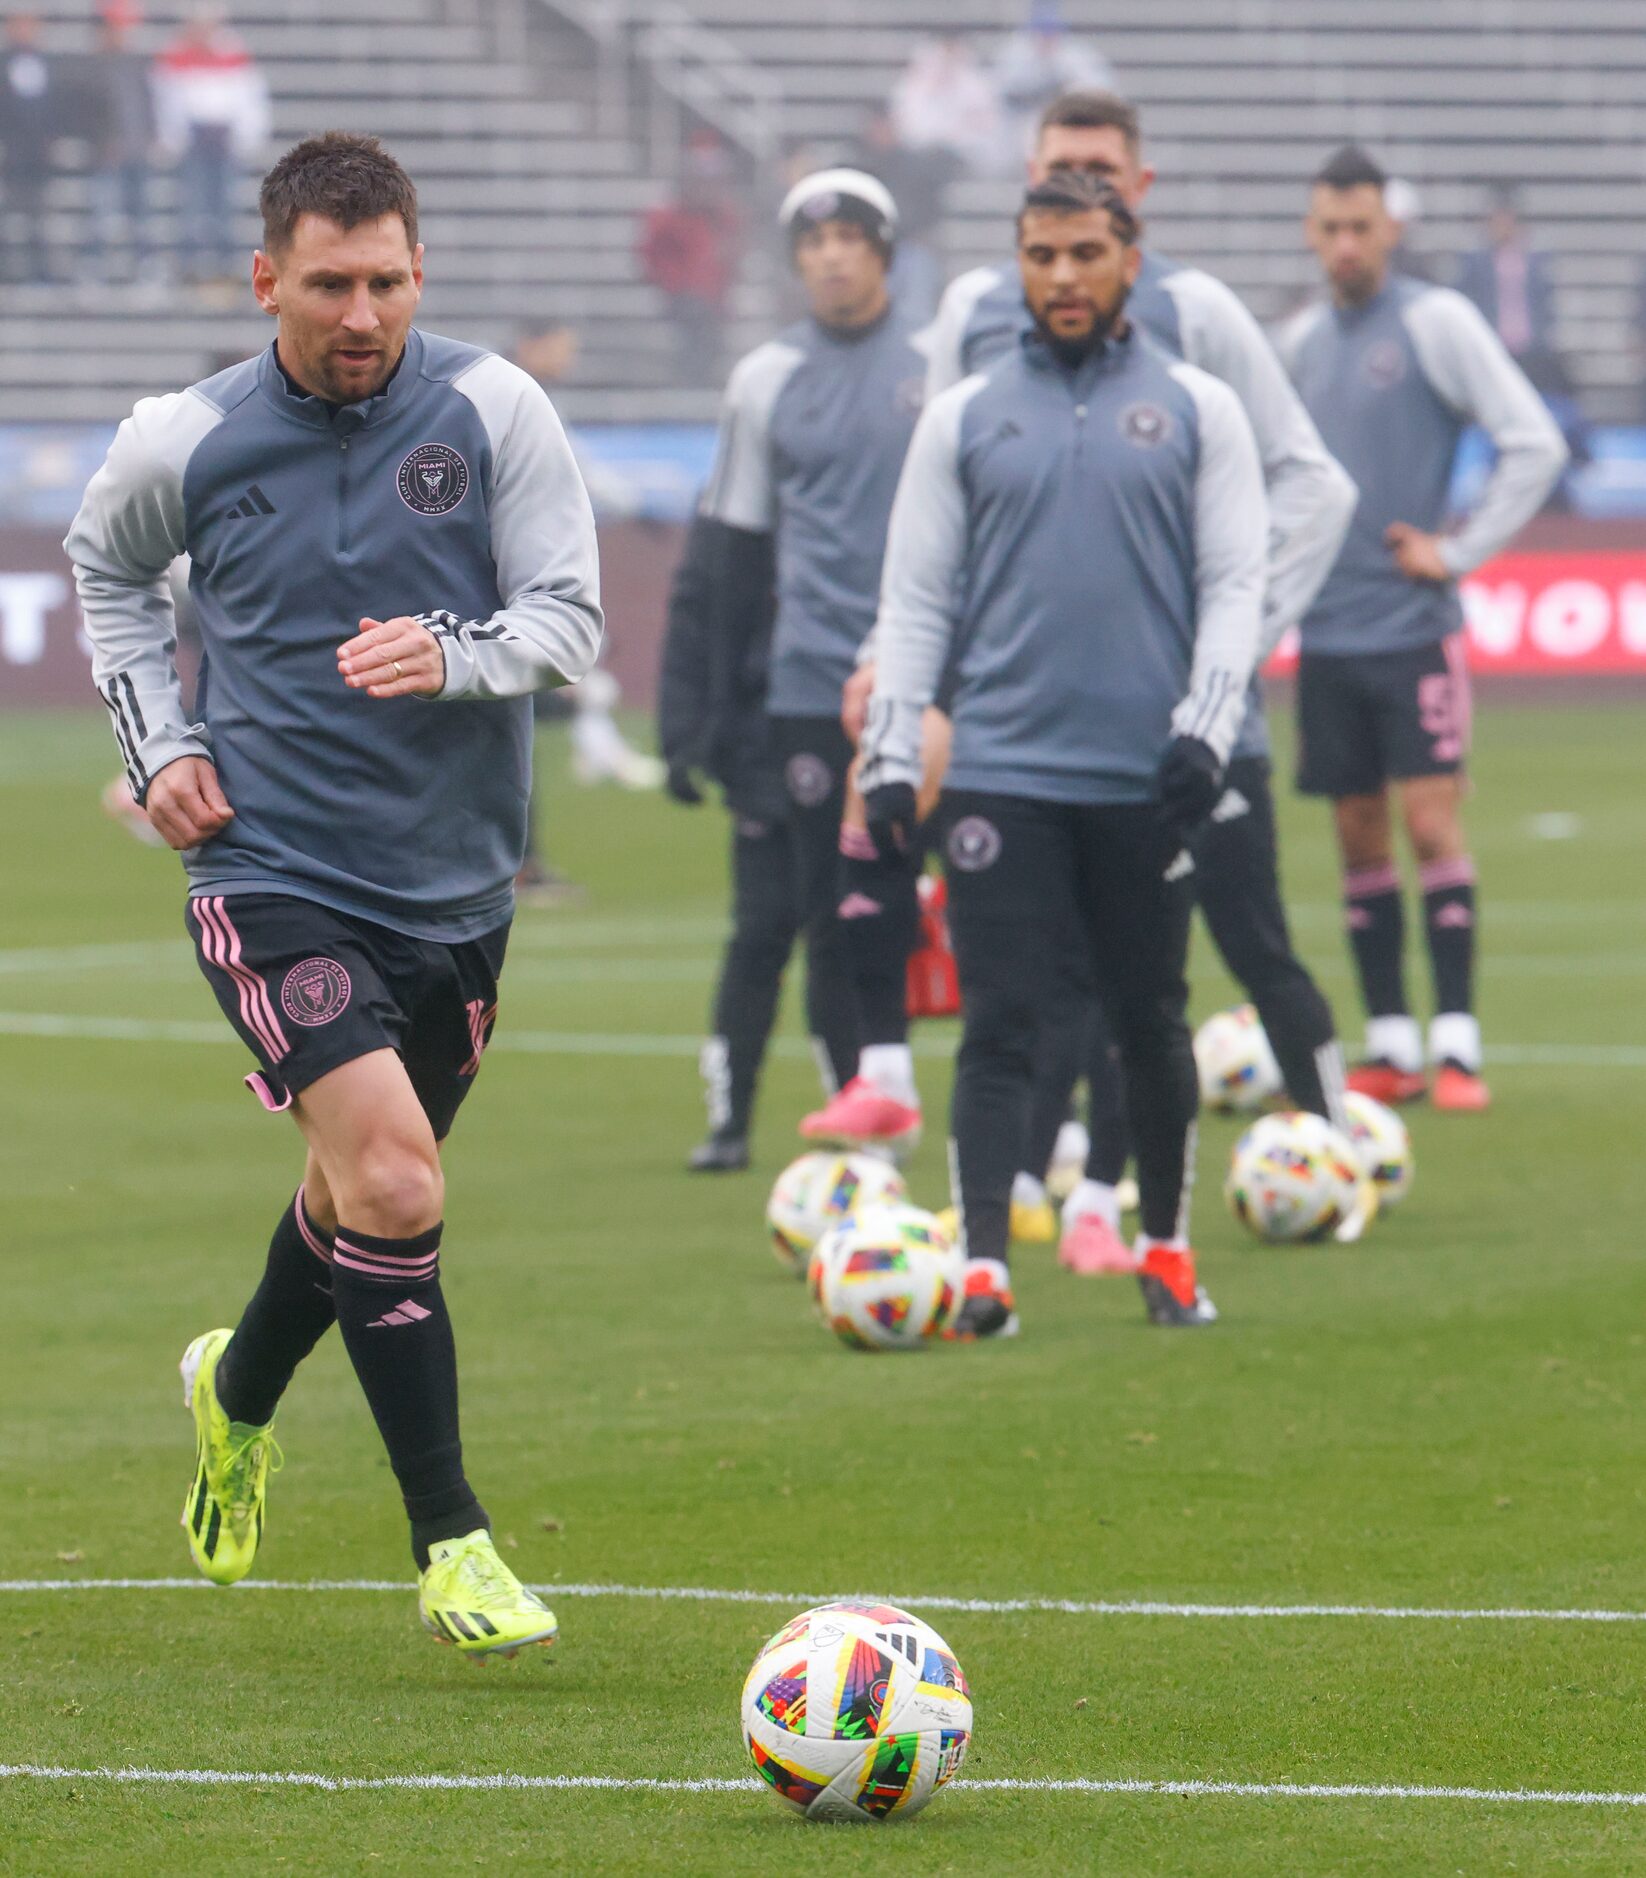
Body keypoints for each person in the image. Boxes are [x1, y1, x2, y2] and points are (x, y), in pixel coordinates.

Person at [65, 132, 602, 1654]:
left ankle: (232, 1395)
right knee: (397, 1181)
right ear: (266, 281)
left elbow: (566, 619)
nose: (359, 316)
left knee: (358, 1190)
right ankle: (452, 1540)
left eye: (384, 283)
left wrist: (455, 648)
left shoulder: (496, 412)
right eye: (326, 286)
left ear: (418, 272)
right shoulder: (183, 437)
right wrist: (158, 743)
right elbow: (106, 574)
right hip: (269, 867)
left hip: (453, 886)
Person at [921, 90, 1357, 1272]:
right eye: (1057, 173)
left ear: (1138, 197)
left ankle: (1287, 1158)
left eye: (1100, 177)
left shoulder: (1199, 319)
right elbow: (940, 525)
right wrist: (908, 683)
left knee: (1210, 960)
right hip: (1015, 731)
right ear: (1026, 183)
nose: (1078, 196)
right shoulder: (970, 316)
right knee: (1030, 988)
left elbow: (1309, 485)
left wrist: (1220, 653)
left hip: (1182, 729)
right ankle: (1037, 1197)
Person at [860, 172, 1267, 1338]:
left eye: (1085, 252)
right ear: (1018, 264)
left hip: (1148, 776)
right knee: (1000, 1021)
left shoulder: (1199, 408)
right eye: (1041, 255)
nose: (1063, 277)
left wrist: (1206, 724)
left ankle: (1167, 1252)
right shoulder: (964, 414)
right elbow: (916, 596)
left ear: (1129, 257)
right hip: (998, 774)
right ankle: (981, 1270)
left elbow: (1236, 583)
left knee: (1148, 1019)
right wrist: (894, 750)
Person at [1278, 145, 1567, 1110]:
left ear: (1391, 229)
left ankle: (1459, 1045)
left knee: (1429, 819)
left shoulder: (1436, 321)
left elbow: (1534, 441)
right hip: (1326, 635)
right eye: (1331, 229)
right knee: (1357, 835)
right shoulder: (1299, 345)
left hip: (1412, 625)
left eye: (1362, 227)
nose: (1347, 245)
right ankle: (1393, 1045)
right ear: (1313, 234)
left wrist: (1458, 551)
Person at [694, 169, 934, 1156]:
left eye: (849, 237)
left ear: (882, 251)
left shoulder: (939, 363)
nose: (831, 255)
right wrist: (711, 713)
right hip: (806, 689)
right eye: (813, 241)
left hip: (927, 684)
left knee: (970, 903)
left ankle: (1036, 1129)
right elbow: (733, 553)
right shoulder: (762, 380)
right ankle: (864, 1119)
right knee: (831, 917)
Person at [658, 509, 789, 1170]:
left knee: (852, 940)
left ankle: (869, 1116)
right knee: (760, 937)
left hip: (855, 747)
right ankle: (731, 1120)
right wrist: (681, 737)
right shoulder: (728, 521)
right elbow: (691, 619)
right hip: (762, 755)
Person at [153, 7, 269, 285]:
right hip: (194, 140)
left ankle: (224, 264)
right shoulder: (176, 54)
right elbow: (166, 100)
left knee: (225, 204)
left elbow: (250, 99)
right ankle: (189, 262)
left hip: (223, 140)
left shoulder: (233, 53)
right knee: (192, 203)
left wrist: (247, 137)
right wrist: (172, 138)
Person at [636, 129, 741, 386]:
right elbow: (649, 256)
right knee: (696, 318)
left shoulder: (726, 216)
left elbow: (731, 258)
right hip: (679, 298)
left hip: (713, 301)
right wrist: (674, 282)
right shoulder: (667, 216)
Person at [83, 4, 157, 284]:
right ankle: (95, 267)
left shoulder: (136, 64)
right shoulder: (91, 68)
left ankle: (144, 266)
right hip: (106, 155)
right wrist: (104, 142)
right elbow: (86, 114)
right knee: (101, 215)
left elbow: (146, 105)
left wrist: (149, 136)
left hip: (136, 152)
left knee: (140, 215)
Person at [994, 3, 1114, 162]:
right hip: (1022, 122)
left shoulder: (1077, 56)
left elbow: (1101, 93)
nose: (1046, 38)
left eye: (1050, 31)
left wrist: (1064, 90)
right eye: (1041, 31)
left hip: (1070, 121)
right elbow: (1001, 94)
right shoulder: (1015, 55)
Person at [890, 33, 1005, 178]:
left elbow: (985, 125)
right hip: (921, 154)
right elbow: (906, 125)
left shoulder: (976, 86)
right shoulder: (915, 88)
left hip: (963, 154)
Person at [0, 11, 57, 284]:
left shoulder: (45, 62)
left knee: (39, 214)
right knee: (10, 214)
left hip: (38, 153)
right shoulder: (4, 62)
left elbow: (51, 106)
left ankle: (39, 270)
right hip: (12, 151)